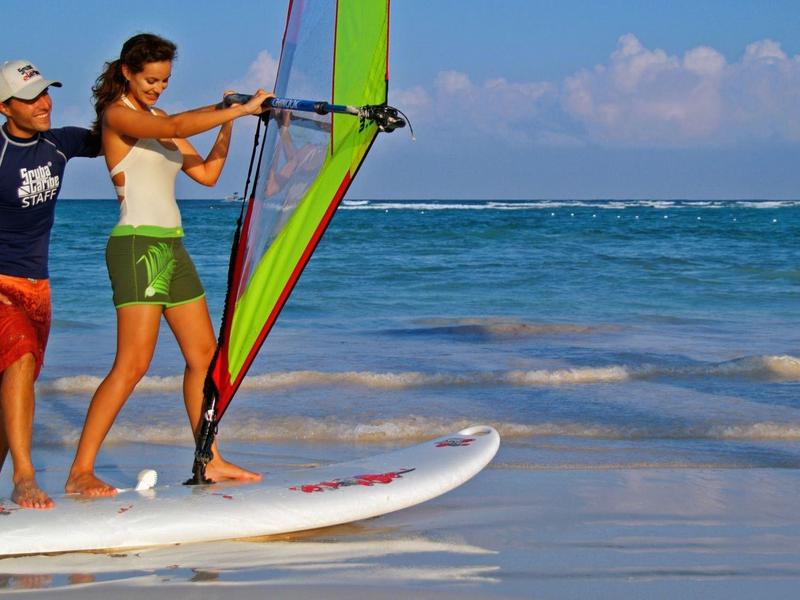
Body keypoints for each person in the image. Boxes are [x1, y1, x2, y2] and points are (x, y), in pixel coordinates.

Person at [64, 33, 271, 496]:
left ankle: (209, 458)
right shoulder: (118, 116)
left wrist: (229, 122)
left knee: (204, 356)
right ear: (127, 73)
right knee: (133, 363)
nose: (158, 88)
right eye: (151, 79)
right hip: (137, 245)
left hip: (172, 247)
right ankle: (80, 470)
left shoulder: (160, 119)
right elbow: (176, 124)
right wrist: (238, 108)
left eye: (164, 80)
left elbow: (209, 174)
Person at [0, 59, 101, 508]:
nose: (44, 104)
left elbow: (117, 128)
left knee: (13, 389)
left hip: (38, 288)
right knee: (20, 357)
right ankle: (25, 476)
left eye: (46, 93)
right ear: (5, 107)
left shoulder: (60, 144)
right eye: (30, 98)